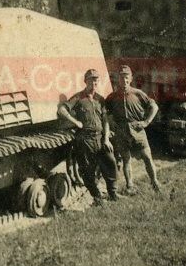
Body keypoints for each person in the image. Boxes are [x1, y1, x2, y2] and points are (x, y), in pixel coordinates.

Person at [58, 68, 118, 207]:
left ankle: (113, 194)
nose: (94, 82)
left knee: (111, 163)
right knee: (87, 171)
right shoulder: (78, 98)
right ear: (85, 81)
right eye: (91, 80)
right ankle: (97, 197)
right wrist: (75, 122)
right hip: (85, 140)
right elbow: (62, 110)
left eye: (96, 79)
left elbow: (105, 121)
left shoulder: (100, 99)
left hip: (100, 138)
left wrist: (107, 139)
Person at [105, 65, 162, 195]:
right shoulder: (112, 97)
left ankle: (155, 182)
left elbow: (154, 106)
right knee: (126, 159)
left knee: (147, 157)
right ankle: (130, 185)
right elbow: (106, 113)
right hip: (121, 132)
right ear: (118, 80)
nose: (124, 81)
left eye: (126, 78)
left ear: (130, 79)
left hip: (137, 130)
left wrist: (146, 122)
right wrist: (112, 125)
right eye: (121, 78)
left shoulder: (138, 93)